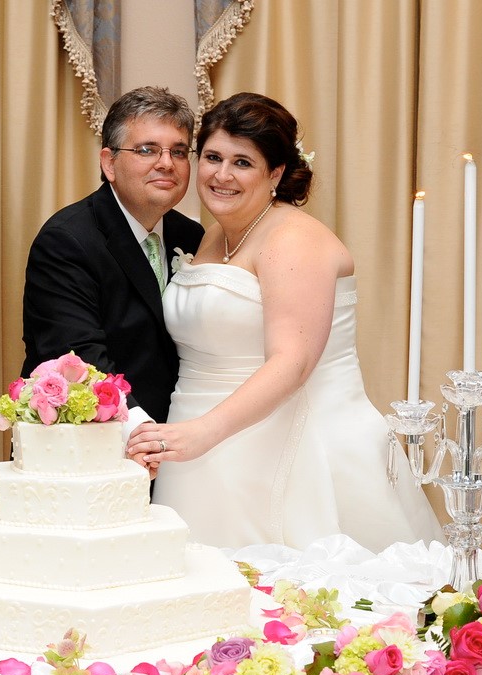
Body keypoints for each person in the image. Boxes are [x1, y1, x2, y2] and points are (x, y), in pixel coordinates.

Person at [127, 92, 439, 553]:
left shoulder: (295, 239)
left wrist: (203, 432)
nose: (221, 175)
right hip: (200, 453)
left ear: (275, 173)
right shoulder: (215, 235)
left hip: (291, 448)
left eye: (243, 163)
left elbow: (292, 362)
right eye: (212, 157)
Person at [21, 87, 205, 438]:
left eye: (178, 152)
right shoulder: (67, 240)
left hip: (178, 442)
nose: (167, 163)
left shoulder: (192, 236)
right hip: (89, 447)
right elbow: (77, 360)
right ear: (109, 163)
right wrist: (143, 433)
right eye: (147, 150)